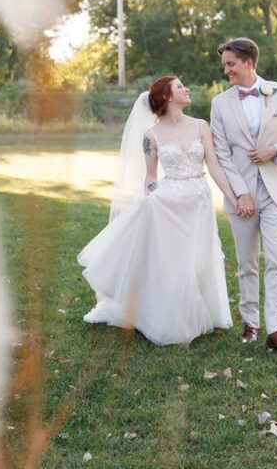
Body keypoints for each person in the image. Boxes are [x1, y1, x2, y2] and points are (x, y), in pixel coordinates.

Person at [77, 76, 238, 345]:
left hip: (199, 202)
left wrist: (232, 197)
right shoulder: (150, 136)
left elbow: (214, 166)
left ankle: (199, 313)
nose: (186, 89)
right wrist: (151, 198)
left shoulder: (201, 126)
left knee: (199, 259)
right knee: (174, 262)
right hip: (169, 204)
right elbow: (151, 176)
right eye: (179, 86)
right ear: (167, 96)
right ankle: (171, 319)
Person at [210, 37, 277, 351]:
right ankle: (250, 324)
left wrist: (275, 150)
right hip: (242, 195)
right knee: (247, 263)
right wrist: (240, 194)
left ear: (249, 61)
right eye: (225, 65)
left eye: (231, 64)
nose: (226, 70)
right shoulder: (219, 103)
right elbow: (222, 154)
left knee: (276, 259)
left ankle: (276, 330)